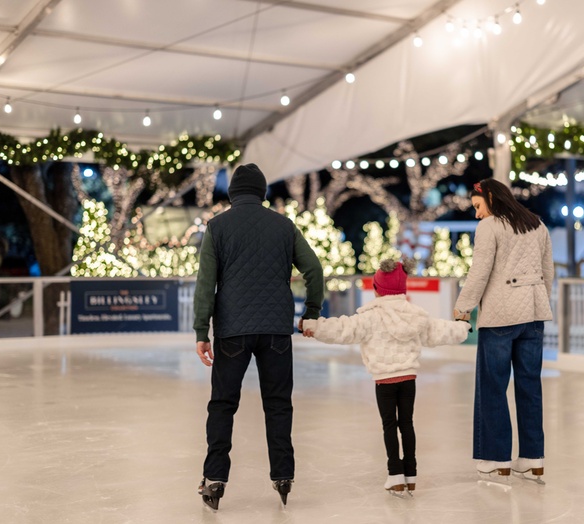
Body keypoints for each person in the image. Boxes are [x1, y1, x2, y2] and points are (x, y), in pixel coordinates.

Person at [193, 163, 325, 510]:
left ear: (233, 193)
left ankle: (214, 478)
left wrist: (201, 330)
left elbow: (206, 283)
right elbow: (314, 269)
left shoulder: (218, 226)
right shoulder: (284, 225)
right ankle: (283, 476)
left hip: (232, 331)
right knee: (278, 403)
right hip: (276, 330)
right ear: (262, 192)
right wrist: (311, 312)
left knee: (223, 404)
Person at [302, 258, 470, 495]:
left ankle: (395, 475)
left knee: (389, 425)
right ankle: (411, 474)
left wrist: (314, 326)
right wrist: (462, 327)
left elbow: (342, 329)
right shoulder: (416, 316)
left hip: (384, 380)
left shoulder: (370, 317)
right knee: (407, 424)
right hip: (408, 378)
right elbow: (440, 331)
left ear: (377, 289)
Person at [453, 178, 554, 483]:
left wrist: (463, 307)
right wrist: (539, 301)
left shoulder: (490, 226)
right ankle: (532, 458)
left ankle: (496, 458)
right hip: (534, 315)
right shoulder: (537, 224)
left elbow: (480, 271)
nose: (477, 214)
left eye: (478, 206)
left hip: (500, 317)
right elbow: (548, 271)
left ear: (491, 197)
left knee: (492, 387)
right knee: (529, 387)